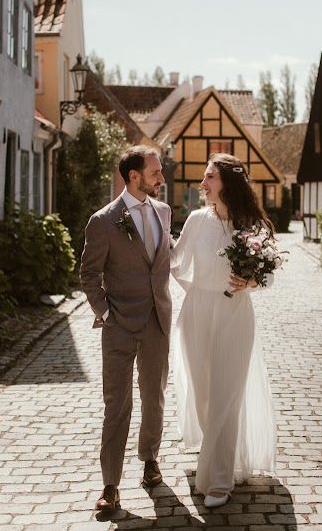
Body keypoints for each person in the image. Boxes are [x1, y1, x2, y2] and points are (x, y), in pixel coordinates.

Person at [170, 153, 277, 508]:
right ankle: (215, 455)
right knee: (204, 394)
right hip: (197, 312)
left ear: (227, 182)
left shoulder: (251, 225)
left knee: (225, 395)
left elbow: (269, 274)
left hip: (234, 312)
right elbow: (175, 263)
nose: (202, 184)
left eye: (209, 177)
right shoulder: (196, 220)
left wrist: (249, 282)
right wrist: (197, 292)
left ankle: (218, 479)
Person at [80, 145, 172, 511]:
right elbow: (88, 274)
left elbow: (167, 260)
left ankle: (150, 461)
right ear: (134, 176)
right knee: (117, 404)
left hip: (157, 322)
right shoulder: (103, 220)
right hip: (118, 325)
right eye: (155, 173)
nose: (161, 178)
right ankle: (110, 485)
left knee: (155, 398)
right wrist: (105, 311)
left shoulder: (163, 212)